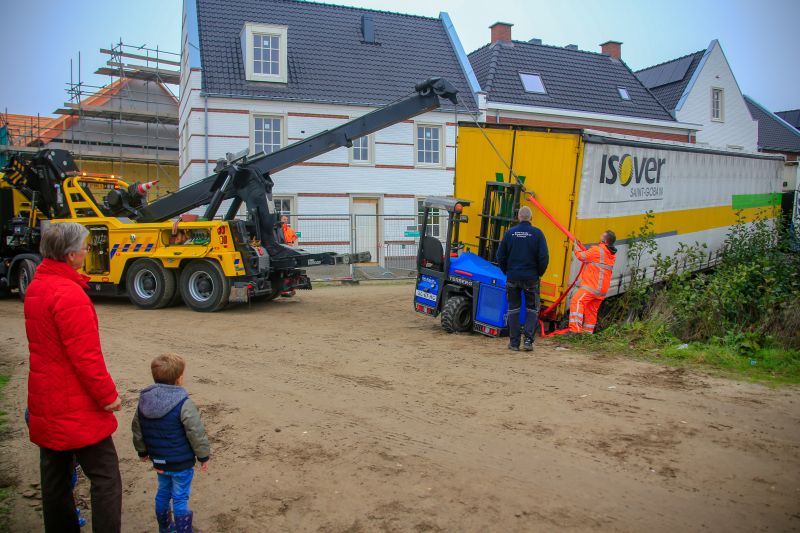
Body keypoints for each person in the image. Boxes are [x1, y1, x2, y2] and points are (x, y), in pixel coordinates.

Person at [24, 221, 123, 533]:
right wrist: (108, 397)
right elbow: (86, 357)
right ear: (69, 255)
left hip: (45, 398)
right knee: (106, 475)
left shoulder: (37, 287)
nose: (87, 250)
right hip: (74, 402)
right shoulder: (69, 294)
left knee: (54, 475)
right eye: (84, 246)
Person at [132, 353, 210, 533]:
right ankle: (183, 530)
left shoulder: (144, 401)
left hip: (158, 459)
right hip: (180, 462)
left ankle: (165, 527)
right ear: (179, 379)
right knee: (180, 498)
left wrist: (142, 452)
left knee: (163, 492)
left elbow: (137, 428)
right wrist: (203, 455)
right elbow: (196, 432)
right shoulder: (184, 403)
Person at [496, 206, 549, 352]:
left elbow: (500, 255)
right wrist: (539, 273)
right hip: (531, 278)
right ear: (531, 218)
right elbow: (544, 256)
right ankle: (528, 341)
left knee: (513, 309)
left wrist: (507, 271)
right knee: (532, 309)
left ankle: (514, 343)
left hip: (513, 277)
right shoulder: (537, 233)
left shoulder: (510, 233)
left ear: (518, 217)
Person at [567, 230, 617, 335]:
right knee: (591, 311)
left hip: (592, 286)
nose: (600, 236)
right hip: (601, 289)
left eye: (602, 235)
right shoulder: (611, 253)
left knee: (577, 301)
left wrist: (576, 247)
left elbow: (581, 256)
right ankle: (587, 334)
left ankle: (575, 330)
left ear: (605, 240)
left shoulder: (598, 250)